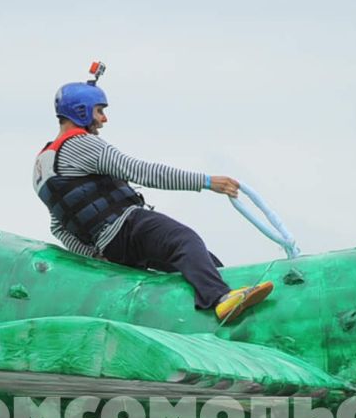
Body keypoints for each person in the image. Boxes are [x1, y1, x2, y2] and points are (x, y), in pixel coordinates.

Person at [33, 76, 274, 325]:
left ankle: (226, 303)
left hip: (111, 248)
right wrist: (207, 182)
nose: (104, 119)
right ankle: (222, 300)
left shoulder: (42, 167)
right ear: (81, 111)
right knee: (184, 241)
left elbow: (58, 226)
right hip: (127, 227)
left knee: (205, 264)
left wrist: (94, 255)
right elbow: (141, 171)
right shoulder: (82, 145)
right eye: (100, 111)